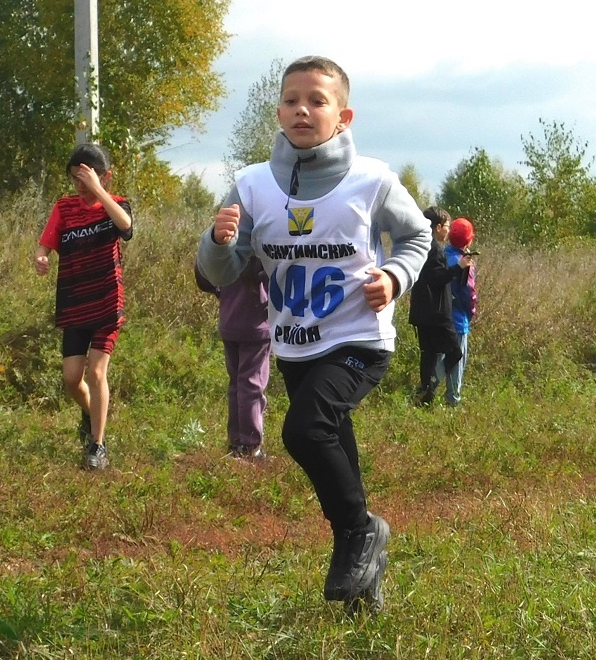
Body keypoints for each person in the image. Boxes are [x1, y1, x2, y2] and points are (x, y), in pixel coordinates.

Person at [196, 56, 431, 613]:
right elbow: (221, 273)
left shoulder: (372, 180)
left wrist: (394, 277)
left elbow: (418, 235)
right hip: (294, 344)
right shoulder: (251, 185)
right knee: (336, 455)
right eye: (292, 99)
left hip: (358, 340)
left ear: (343, 115)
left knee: (304, 432)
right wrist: (217, 238)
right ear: (277, 111)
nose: (303, 109)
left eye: (317, 100)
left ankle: (360, 531)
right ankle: (362, 589)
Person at [34, 143, 133, 471]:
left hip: (107, 302)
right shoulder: (64, 208)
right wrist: (42, 256)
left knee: (96, 371)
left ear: (105, 177)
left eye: (86, 177)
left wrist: (98, 192)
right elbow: (45, 242)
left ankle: (98, 445)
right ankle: (92, 416)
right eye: (75, 178)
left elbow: (126, 227)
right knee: (72, 379)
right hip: (75, 303)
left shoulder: (116, 205)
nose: (80, 184)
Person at [195, 255, 271, 460]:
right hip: (255, 324)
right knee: (252, 385)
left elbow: (204, 274)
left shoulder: (226, 244)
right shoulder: (259, 240)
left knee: (237, 384)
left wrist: (224, 291)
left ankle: (237, 441)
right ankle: (249, 446)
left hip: (229, 321)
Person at [408, 207, 473, 406]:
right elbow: (437, 278)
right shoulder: (435, 249)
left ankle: (424, 399)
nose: (448, 230)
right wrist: (459, 267)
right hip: (436, 313)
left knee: (429, 355)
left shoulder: (421, 245)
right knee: (455, 351)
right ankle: (426, 389)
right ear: (437, 227)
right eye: (446, 226)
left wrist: (460, 267)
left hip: (422, 311)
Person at [435, 217, 477, 406]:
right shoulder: (463, 262)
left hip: (440, 317)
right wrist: (471, 312)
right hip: (459, 320)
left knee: (442, 355)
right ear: (468, 240)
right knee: (457, 358)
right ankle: (453, 399)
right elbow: (468, 293)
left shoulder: (442, 255)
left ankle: (428, 385)